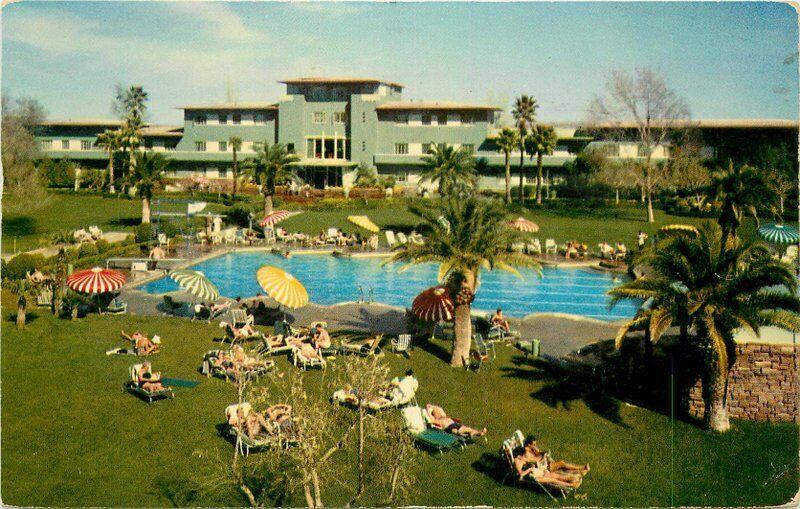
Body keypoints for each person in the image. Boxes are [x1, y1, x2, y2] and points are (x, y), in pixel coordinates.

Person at [513, 436, 588, 488]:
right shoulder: (524, 456)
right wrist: (538, 460)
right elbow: (523, 472)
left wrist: (541, 453)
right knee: (558, 475)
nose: (535, 445)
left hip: (542, 468)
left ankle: (580, 470)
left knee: (561, 466)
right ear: (528, 445)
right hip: (542, 470)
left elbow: (537, 456)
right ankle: (577, 476)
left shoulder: (531, 450)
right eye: (534, 444)